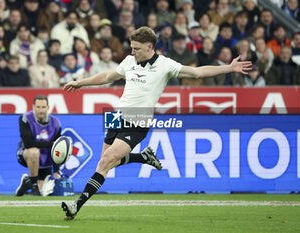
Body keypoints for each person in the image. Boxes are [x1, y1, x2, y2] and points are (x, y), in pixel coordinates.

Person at [61, 26, 252, 220]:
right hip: (116, 116)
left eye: (137, 49)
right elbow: (108, 76)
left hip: (138, 121)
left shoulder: (165, 65)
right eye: (132, 48)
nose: (132, 52)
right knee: (106, 163)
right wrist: (80, 82)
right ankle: (143, 158)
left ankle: (77, 204)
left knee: (105, 161)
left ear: (150, 47)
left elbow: (197, 73)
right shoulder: (129, 61)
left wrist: (229, 67)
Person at [15, 94, 61, 196]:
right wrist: (52, 144)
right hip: (27, 155)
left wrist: (56, 171)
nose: (41, 110)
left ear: (48, 108)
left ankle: (28, 182)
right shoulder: (25, 119)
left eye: (43, 107)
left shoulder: (56, 123)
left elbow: (58, 149)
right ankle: (34, 186)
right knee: (33, 151)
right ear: (33, 107)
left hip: (46, 159)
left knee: (44, 191)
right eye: (38, 107)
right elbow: (28, 143)